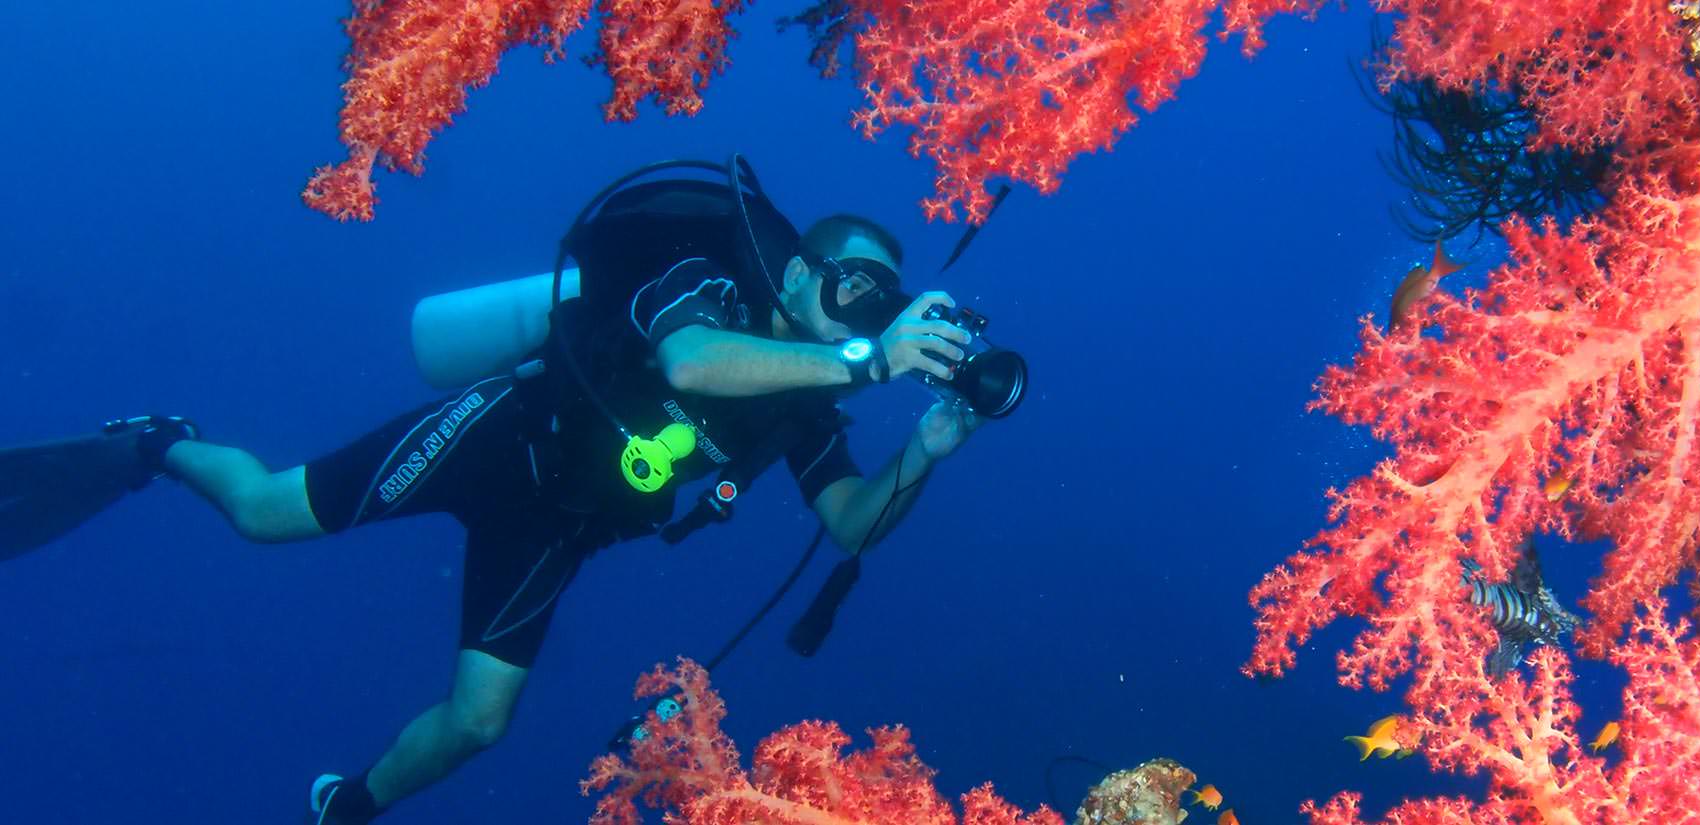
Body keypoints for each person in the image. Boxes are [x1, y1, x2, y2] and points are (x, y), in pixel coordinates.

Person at [0, 167, 983, 823]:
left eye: (883, 303)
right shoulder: (707, 280)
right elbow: (688, 361)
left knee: (478, 723)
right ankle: (162, 445)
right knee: (264, 514)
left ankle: (348, 806)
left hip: (567, 526)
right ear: (802, 270)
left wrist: (927, 451)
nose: (867, 314)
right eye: (854, 287)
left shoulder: (810, 399)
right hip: (497, 441)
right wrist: (866, 357)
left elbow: (851, 524)